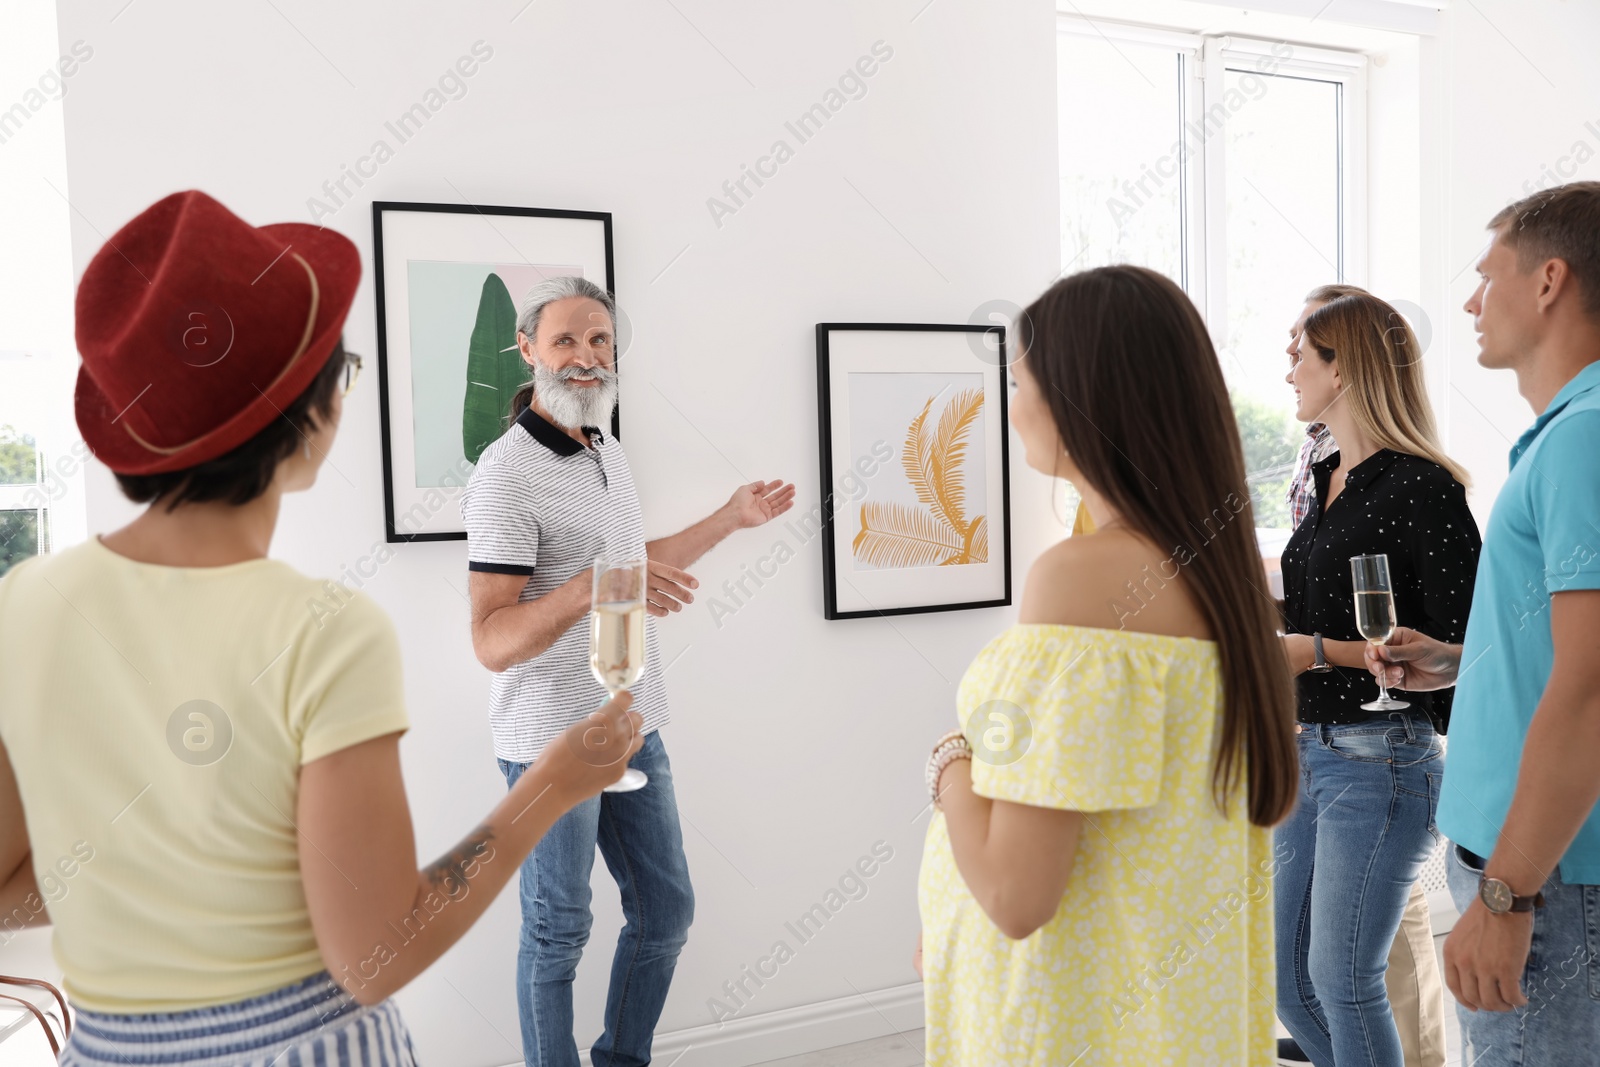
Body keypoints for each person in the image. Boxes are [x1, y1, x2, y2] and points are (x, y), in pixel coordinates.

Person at [0, 191, 643, 1066]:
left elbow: (6, 888)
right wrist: (555, 781)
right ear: (310, 413)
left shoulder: (24, 603)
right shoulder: (324, 632)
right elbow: (379, 955)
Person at [917, 265, 1298, 1064]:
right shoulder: (1221, 575)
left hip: (1072, 1018)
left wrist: (950, 763)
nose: (1010, 403)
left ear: (1076, 395)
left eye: (1017, 379)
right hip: (1175, 1013)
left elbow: (1019, 896)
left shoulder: (1082, 577)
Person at [460, 275, 794, 1067]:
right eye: (567, 339)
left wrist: (730, 517)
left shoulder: (605, 447)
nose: (586, 356)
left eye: (600, 339)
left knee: (666, 911)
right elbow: (490, 639)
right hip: (550, 739)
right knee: (558, 928)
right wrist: (591, 587)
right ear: (529, 349)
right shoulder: (504, 474)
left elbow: (630, 566)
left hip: (631, 719)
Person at [1367, 181, 1600, 1065]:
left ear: (1548, 281)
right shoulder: (1569, 433)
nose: (1469, 301)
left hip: (1550, 878)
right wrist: (1470, 661)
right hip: (1543, 868)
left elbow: (1590, 688)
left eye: (1484, 274)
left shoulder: (1584, 439)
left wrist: (1506, 896)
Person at [1273, 290, 1480, 1067]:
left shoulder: (1423, 487)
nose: (1289, 367)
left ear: (1344, 367)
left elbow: (1471, 641)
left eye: (1303, 354)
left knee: (1342, 978)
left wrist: (1318, 652)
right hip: (1307, 752)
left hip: (1382, 758)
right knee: (1291, 981)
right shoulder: (1328, 478)